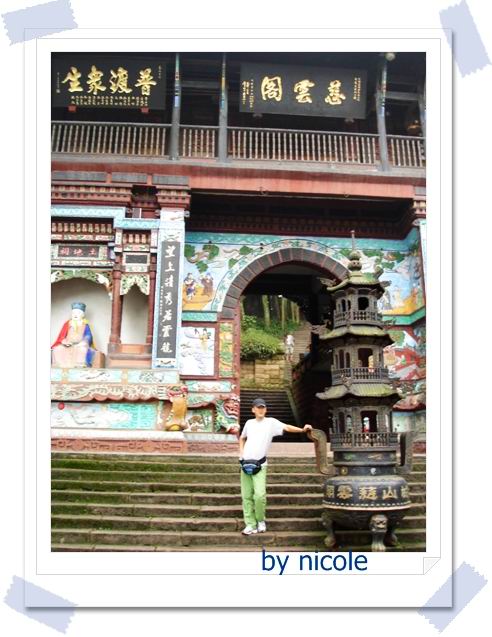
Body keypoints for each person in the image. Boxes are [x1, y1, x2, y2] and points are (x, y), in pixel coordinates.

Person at [239, 397, 312, 535]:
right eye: (258, 408)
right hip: (245, 463)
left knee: (259, 495)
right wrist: (241, 454)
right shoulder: (249, 423)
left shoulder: (271, 423)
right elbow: (242, 438)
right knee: (246, 495)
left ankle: (260, 520)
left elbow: (287, 427)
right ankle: (250, 524)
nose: (261, 410)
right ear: (253, 410)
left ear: (266, 409)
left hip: (260, 464)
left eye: (263, 407)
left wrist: (302, 430)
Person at [51, 302, 98, 368]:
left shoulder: (85, 324)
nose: (75, 315)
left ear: (82, 315)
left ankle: (79, 366)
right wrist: (64, 341)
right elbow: (62, 335)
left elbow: (88, 336)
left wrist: (84, 341)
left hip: (79, 345)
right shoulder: (68, 323)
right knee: (57, 349)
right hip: (68, 345)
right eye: (74, 313)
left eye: (78, 313)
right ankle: (60, 366)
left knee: (82, 349)